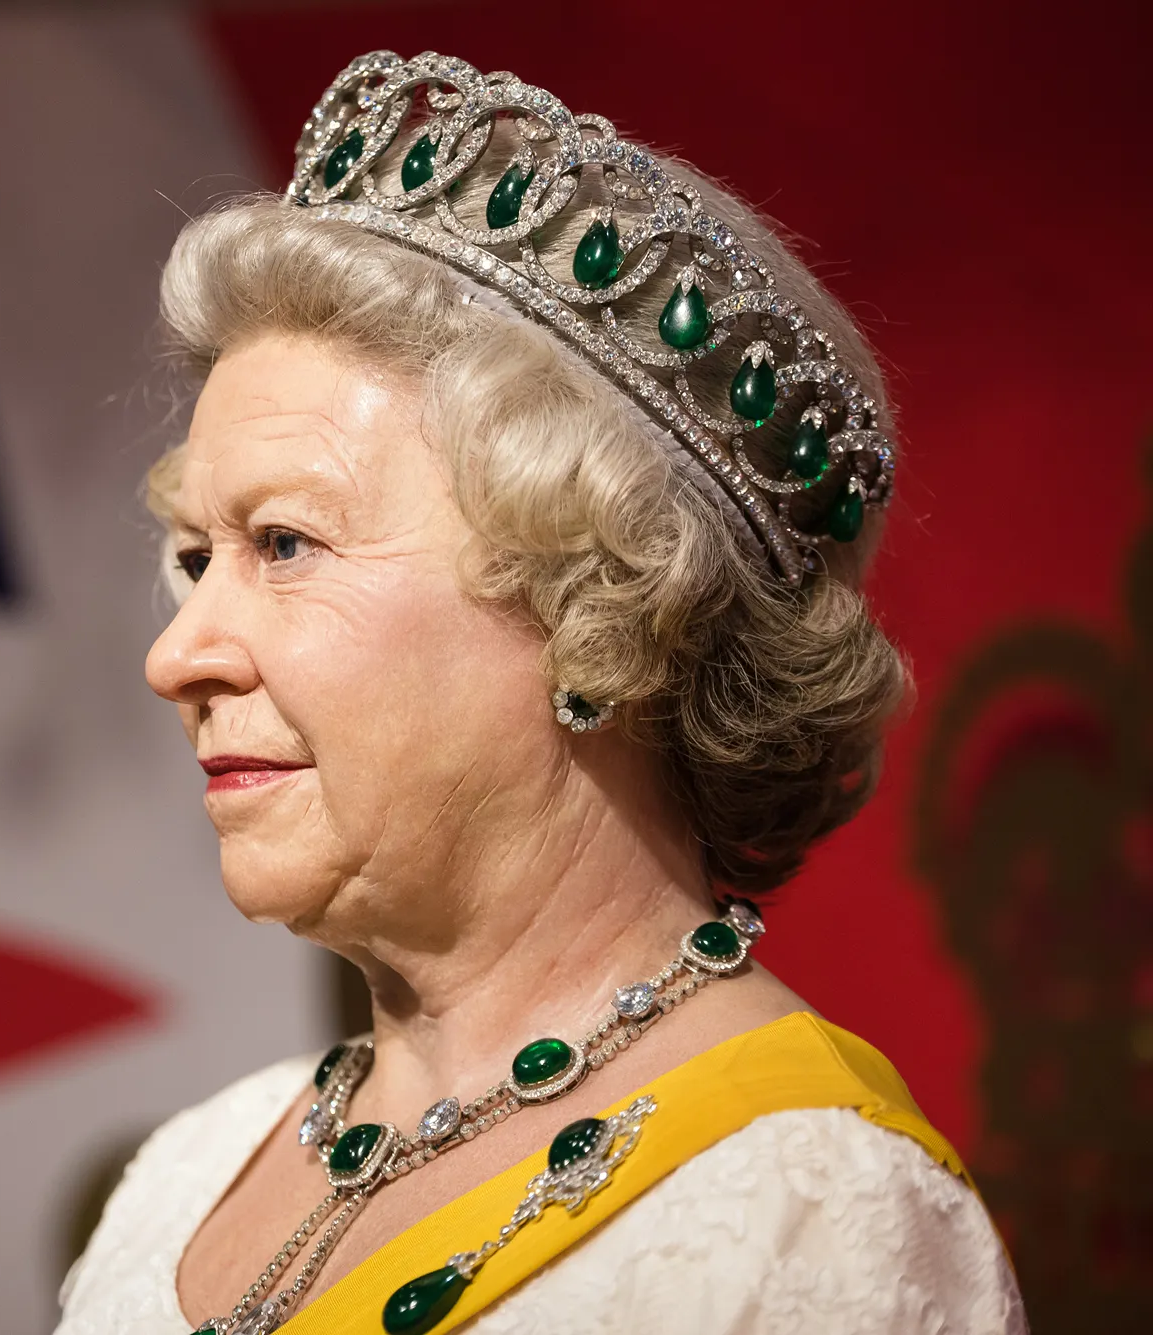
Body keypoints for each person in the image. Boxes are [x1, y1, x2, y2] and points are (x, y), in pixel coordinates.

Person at [53, 52, 1026, 1335]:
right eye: (195, 558)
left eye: (283, 544)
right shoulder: (182, 1177)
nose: (177, 656)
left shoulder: (811, 1213)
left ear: (596, 609)